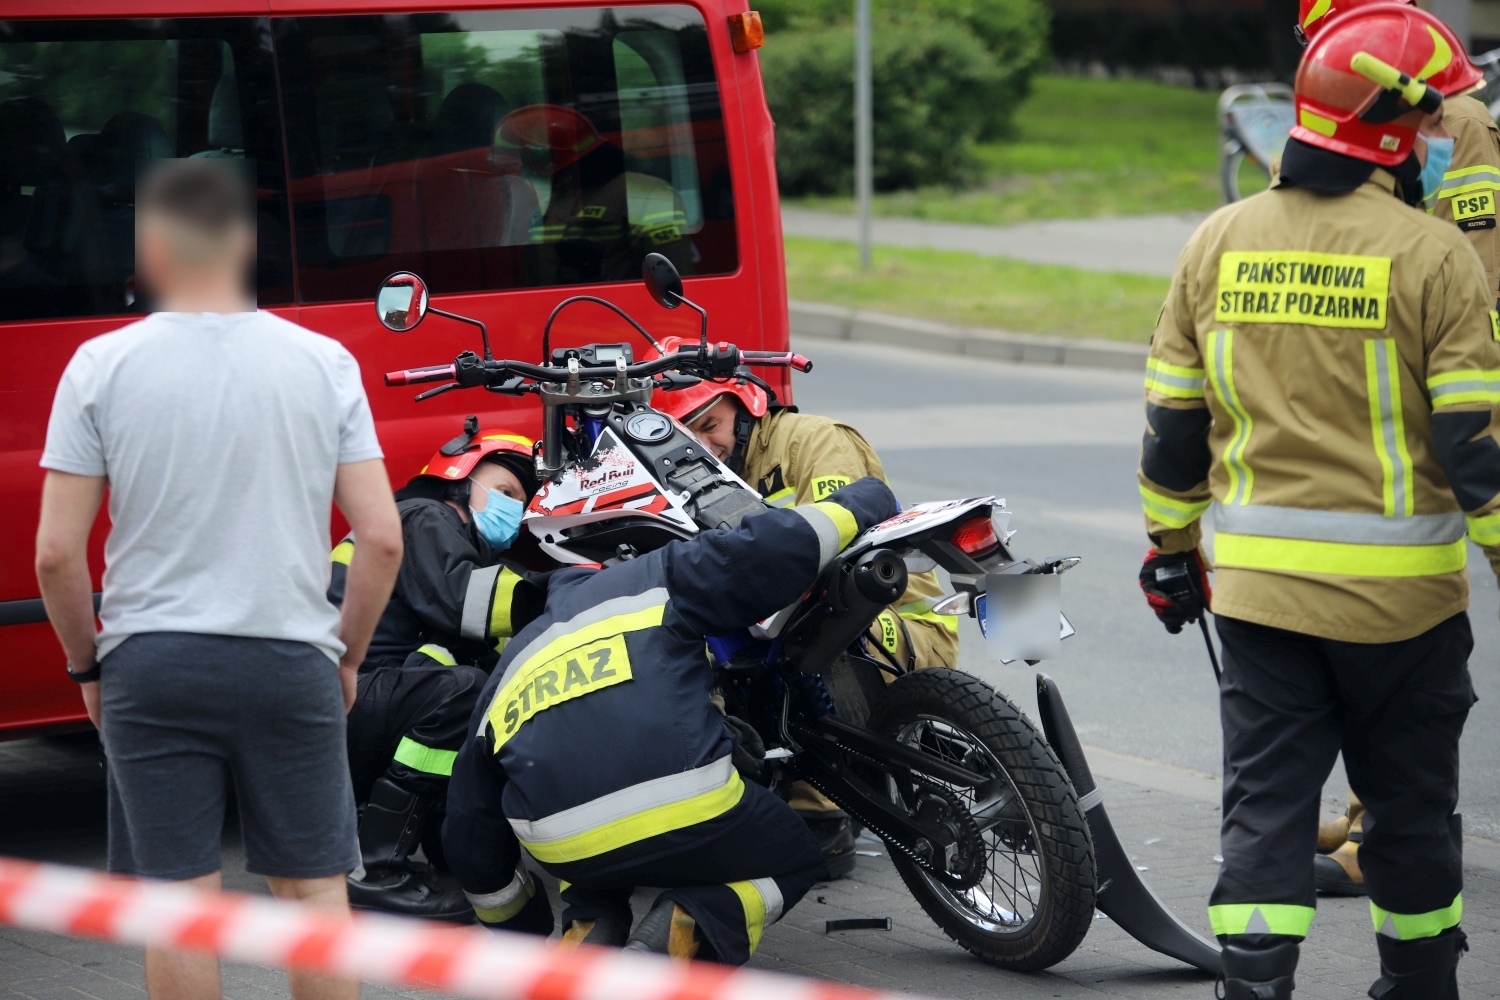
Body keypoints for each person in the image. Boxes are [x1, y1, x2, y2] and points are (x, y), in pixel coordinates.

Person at [1135, 9, 1495, 997]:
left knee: (1265, 817)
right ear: (1391, 129)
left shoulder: (1218, 243)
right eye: (1429, 127)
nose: (1439, 146)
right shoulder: (1434, 258)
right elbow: (1478, 452)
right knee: (1413, 817)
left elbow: (1173, 431)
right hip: (1408, 615)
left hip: (1262, 609)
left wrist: (1170, 550)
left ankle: (1253, 988)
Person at [33, 159, 402, 1000]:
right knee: (313, 892)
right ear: (241, 240)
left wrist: (87, 667)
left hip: (151, 663)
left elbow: (56, 555)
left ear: (150, 249)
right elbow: (380, 539)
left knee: (178, 903)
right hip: (289, 658)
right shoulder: (324, 362)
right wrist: (343, 660)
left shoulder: (99, 365)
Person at [442, 477, 899, 962]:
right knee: (794, 857)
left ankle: (586, 931)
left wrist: (521, 928)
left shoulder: (513, 659)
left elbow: (469, 825)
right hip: (689, 808)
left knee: (597, 863)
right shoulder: (655, 574)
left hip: (565, 844)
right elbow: (774, 547)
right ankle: (683, 928)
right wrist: (866, 498)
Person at [1292, 0, 1500, 899]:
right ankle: (1374, 807)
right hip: (1396, 382)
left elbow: (1480, 271)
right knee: (1369, 619)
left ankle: (1392, 828)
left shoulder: (1457, 123)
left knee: (1409, 633)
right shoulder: (1345, 100)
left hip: (1449, 386)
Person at [650, 338, 959, 877]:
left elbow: (836, 550)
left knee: (812, 612)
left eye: (709, 425)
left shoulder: (813, 441)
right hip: (792, 621)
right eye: (685, 435)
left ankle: (823, 809)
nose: (703, 445)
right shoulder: (692, 473)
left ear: (743, 404)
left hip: (898, 628)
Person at [329, 420, 551, 921]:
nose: (512, 507)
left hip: (346, 699)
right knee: (463, 695)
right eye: (504, 490)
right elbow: (464, 601)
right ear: (460, 476)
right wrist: (565, 590)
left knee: (467, 692)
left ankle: (440, 854)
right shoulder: (425, 516)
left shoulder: (436, 534)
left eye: (520, 501)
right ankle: (374, 868)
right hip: (338, 696)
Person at [494, 104, 695, 284]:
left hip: (621, 317)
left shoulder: (650, 196)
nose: (519, 174)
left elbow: (674, 286)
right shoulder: (544, 201)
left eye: (524, 164)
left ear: (549, 160)